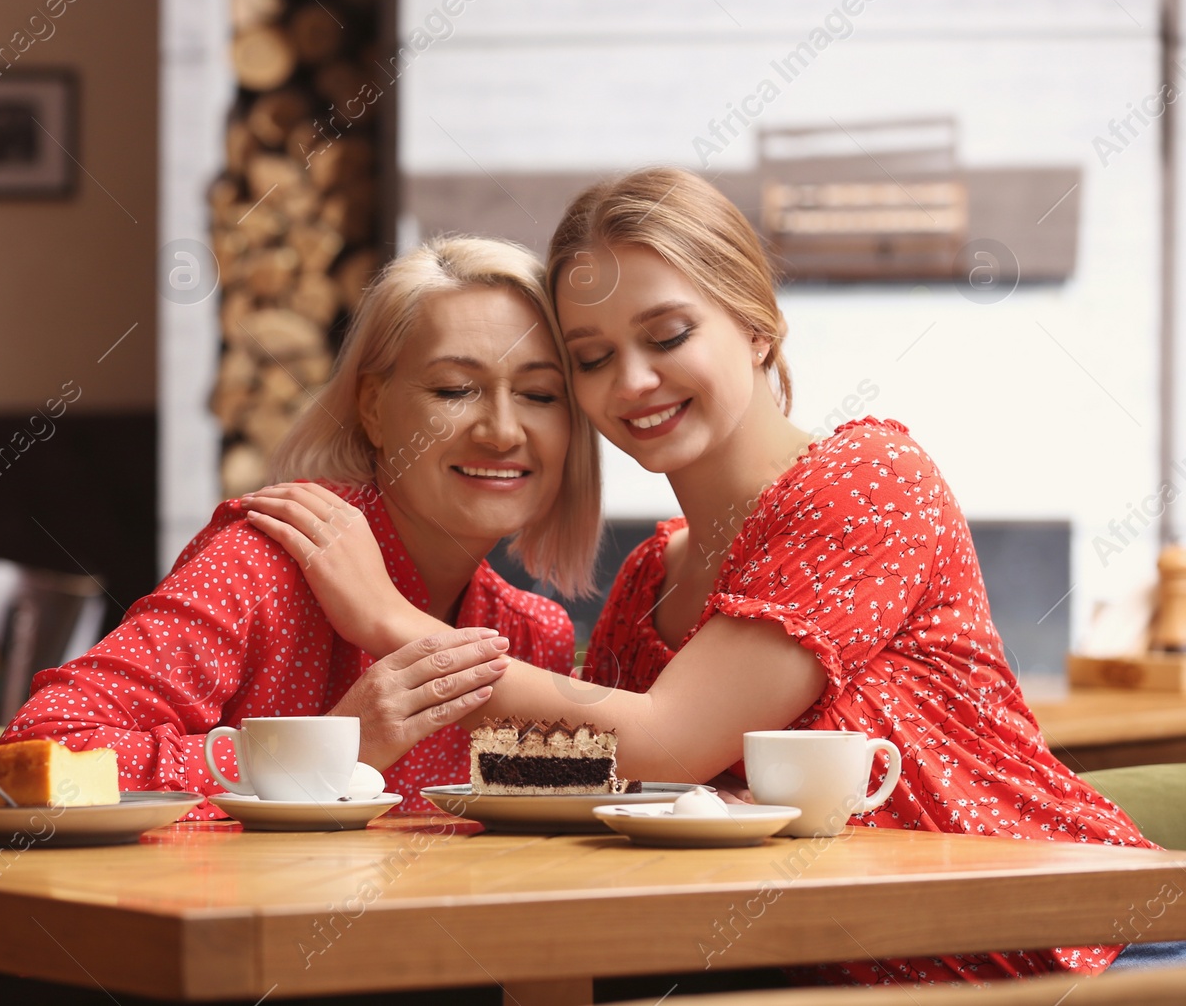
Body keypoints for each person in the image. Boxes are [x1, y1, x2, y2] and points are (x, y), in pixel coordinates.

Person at [243, 169, 1178, 987]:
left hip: (1083, 952)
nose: (634, 381)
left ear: (758, 325)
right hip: (855, 979)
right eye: (592, 359)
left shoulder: (867, 482)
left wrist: (384, 615)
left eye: (668, 333)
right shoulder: (650, 579)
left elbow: (667, 742)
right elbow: (597, 790)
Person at [0, 234, 600, 1000]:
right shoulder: (269, 561)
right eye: (454, 389)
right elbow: (46, 747)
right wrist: (316, 758)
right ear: (372, 407)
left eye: (540, 394)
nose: (503, 429)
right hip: (51, 972)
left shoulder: (531, 634)